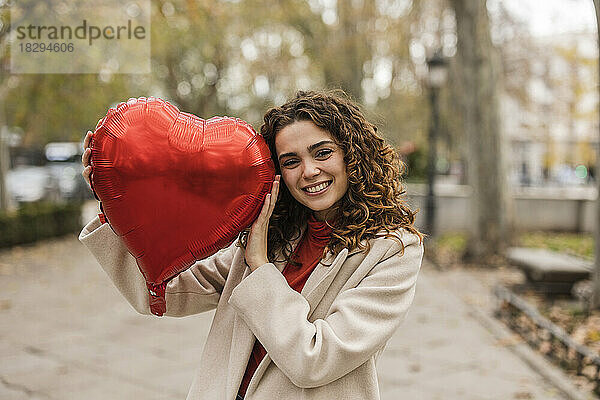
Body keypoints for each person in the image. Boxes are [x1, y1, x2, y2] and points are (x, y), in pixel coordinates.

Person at [79, 89, 424, 400]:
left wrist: (260, 267)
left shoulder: (393, 249)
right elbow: (165, 292)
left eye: (322, 153)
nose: (309, 171)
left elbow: (315, 359)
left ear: (352, 154)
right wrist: (115, 202)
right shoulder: (274, 232)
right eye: (291, 161)